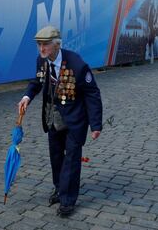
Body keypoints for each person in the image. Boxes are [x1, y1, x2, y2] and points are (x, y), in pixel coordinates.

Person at [18, 26, 102, 217]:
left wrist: (96, 124)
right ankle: (59, 189)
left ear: (57, 44)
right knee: (56, 157)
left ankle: (67, 200)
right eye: (39, 44)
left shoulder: (76, 63)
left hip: (74, 120)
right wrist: (26, 97)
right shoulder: (41, 60)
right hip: (53, 119)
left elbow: (92, 93)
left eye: (45, 44)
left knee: (71, 160)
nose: (41, 49)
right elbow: (37, 82)